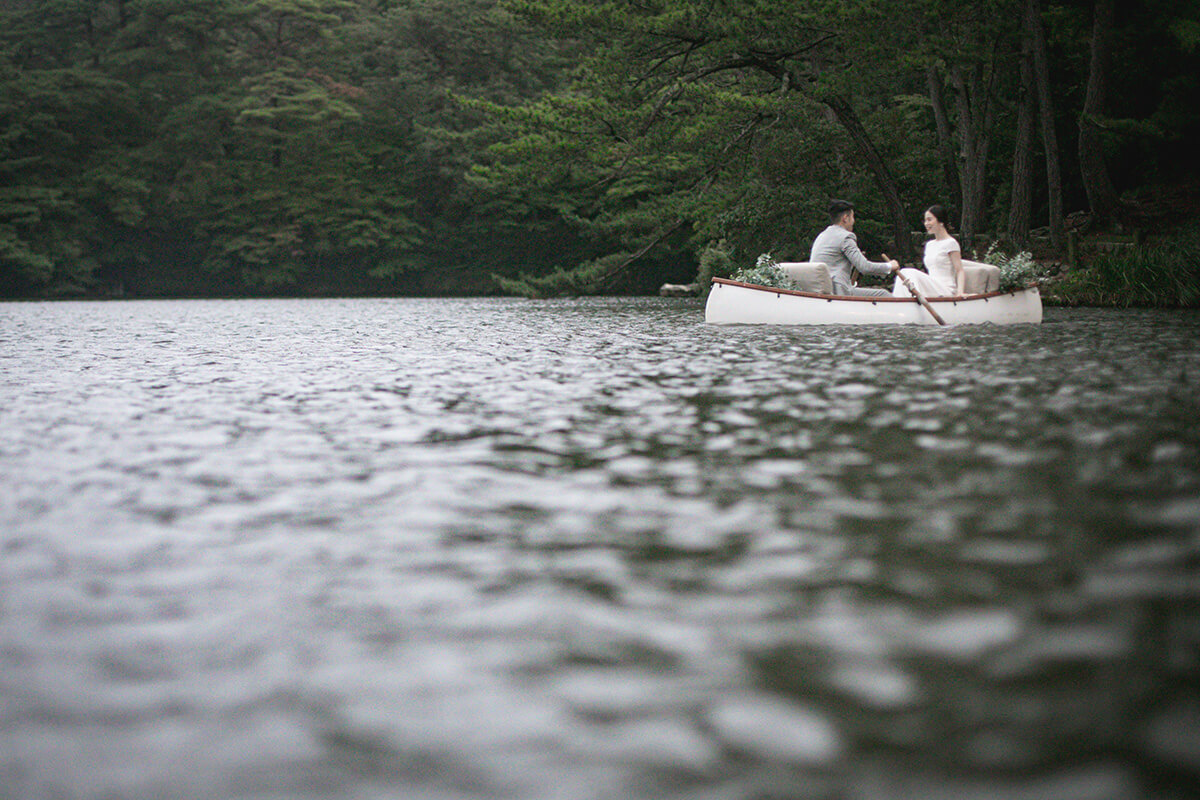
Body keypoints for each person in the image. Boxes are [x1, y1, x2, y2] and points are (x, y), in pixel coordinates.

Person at [809, 199, 900, 297]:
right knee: (883, 294)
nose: (854, 221)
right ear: (845, 218)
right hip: (837, 292)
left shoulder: (822, 235)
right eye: (853, 217)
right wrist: (889, 266)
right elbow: (864, 267)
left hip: (819, 290)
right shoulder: (846, 237)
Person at [893, 204, 966, 298]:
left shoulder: (951, 243)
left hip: (945, 289)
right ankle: (898, 301)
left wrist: (960, 293)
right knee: (903, 272)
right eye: (925, 220)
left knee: (910, 272)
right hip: (932, 287)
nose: (926, 223)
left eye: (929, 220)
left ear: (941, 222)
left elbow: (959, 270)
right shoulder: (929, 245)